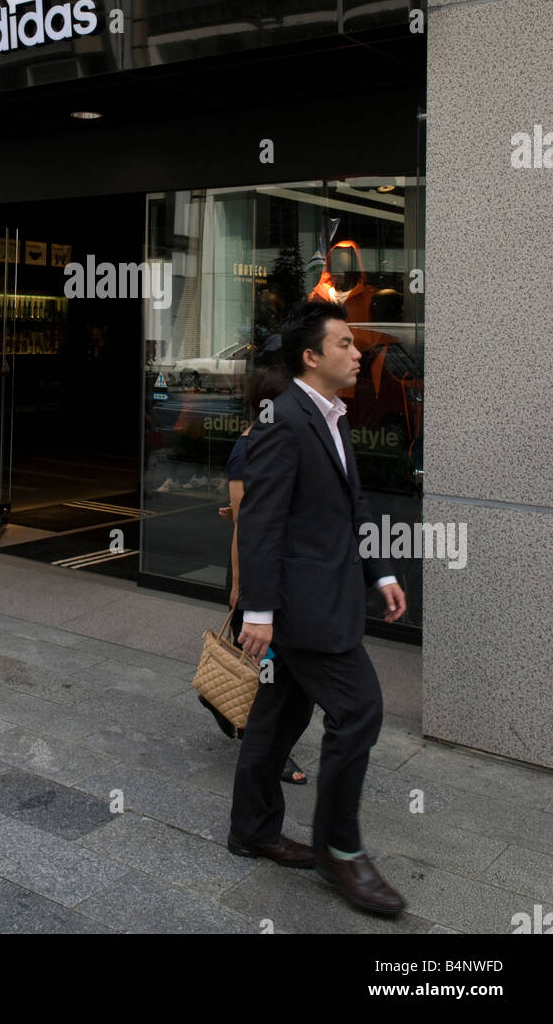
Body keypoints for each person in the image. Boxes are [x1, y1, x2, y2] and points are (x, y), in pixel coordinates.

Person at [228, 301, 407, 916]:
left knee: (277, 718)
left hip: (325, 594)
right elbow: (260, 519)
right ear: (311, 356)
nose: (358, 353)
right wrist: (258, 612)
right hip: (304, 609)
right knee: (359, 709)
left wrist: (380, 570)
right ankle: (340, 849)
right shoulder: (286, 419)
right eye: (345, 344)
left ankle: (252, 828)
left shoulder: (331, 416)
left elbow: (350, 507)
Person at [209, 364, 307, 785]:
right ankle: (265, 749)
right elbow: (243, 527)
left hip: (290, 577)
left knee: (278, 672)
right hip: (258, 580)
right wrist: (239, 586)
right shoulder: (247, 450)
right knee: (263, 672)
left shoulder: (286, 445)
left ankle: (227, 708)